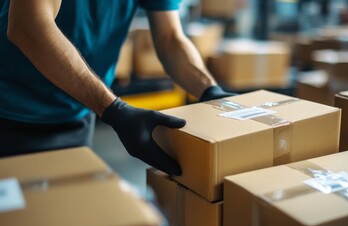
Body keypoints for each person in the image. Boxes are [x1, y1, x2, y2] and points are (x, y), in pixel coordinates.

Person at [0, 0, 234, 176]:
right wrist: (114, 109)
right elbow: (29, 26)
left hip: (77, 112)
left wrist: (209, 90)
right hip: (10, 110)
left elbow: (170, 38)